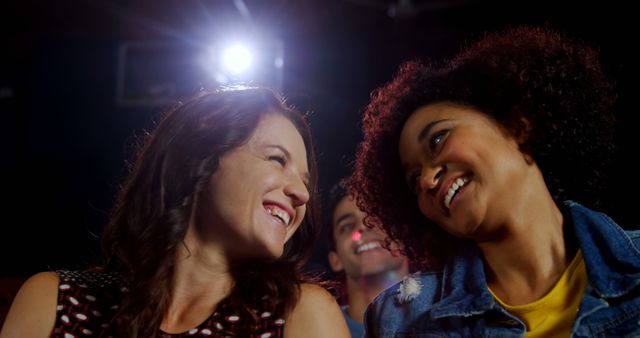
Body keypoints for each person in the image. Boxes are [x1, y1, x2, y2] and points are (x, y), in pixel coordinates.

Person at [349, 26, 640, 337]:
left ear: (517, 124)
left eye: (437, 140)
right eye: (414, 179)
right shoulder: (402, 319)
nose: (429, 181)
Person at [1, 87, 350, 338]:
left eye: (305, 181)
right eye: (277, 159)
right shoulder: (55, 301)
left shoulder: (300, 316)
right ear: (199, 160)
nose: (302, 194)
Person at [326, 180, 409, 337]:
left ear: (404, 236)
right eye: (347, 226)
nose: (363, 226)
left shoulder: (454, 315)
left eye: (376, 216)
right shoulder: (316, 330)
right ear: (335, 259)